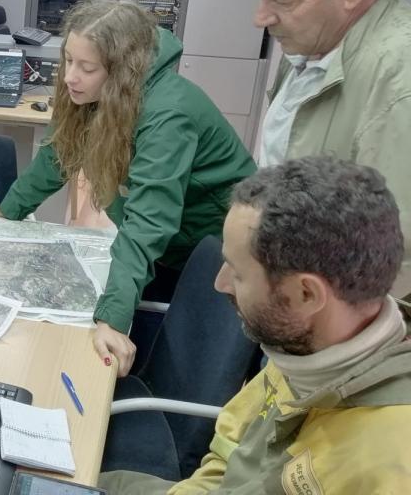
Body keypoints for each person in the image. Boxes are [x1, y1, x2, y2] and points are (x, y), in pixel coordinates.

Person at [100, 156, 411, 494]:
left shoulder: (390, 461)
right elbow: (226, 459)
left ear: (306, 294)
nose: (220, 284)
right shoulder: (308, 347)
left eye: (237, 272)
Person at [0, 0, 255, 376]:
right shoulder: (93, 92)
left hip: (208, 250)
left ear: (121, 71)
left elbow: (148, 223)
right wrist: (8, 211)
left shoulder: (167, 113)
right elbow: (57, 153)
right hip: (164, 248)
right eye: (68, 61)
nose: (69, 77)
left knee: (173, 359)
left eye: (86, 67)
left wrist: (111, 318)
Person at [253, 0, 411, 298]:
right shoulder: (310, 42)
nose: (261, 17)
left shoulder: (398, 78)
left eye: (282, 0)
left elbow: (391, 252)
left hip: (332, 319)